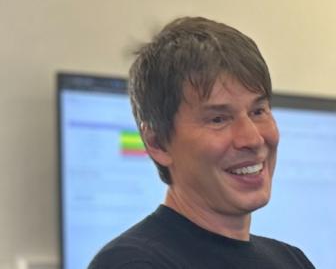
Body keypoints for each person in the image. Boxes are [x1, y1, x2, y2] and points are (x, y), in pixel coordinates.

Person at [88, 16, 314, 269]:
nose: (252, 138)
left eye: (258, 111)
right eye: (218, 119)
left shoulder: (291, 261)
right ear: (157, 142)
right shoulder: (132, 263)